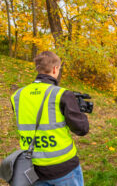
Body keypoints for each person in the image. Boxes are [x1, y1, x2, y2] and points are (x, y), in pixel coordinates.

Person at [10, 51, 89, 186]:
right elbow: (82, 129)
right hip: (64, 168)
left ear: (38, 68)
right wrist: (79, 111)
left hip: (32, 168)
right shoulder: (62, 94)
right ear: (55, 69)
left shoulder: (17, 95)